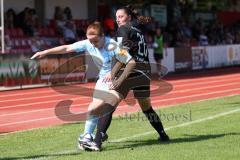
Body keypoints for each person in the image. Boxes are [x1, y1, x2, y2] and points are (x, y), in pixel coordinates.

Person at [30, 21, 136, 148]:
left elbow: (131, 62)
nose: (92, 44)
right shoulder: (88, 43)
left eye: (95, 41)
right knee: (93, 109)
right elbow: (67, 48)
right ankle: (87, 136)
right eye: (90, 41)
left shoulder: (113, 45)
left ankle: (98, 135)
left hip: (120, 78)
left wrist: (118, 80)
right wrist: (45, 52)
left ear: (103, 36)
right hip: (103, 79)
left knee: (107, 104)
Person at [81, 5, 169, 151]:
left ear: (128, 17)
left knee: (110, 103)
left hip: (132, 70)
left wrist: (113, 73)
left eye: (120, 17)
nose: (118, 20)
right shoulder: (138, 31)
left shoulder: (123, 30)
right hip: (144, 71)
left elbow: (122, 56)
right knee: (147, 108)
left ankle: (96, 141)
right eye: (116, 18)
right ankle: (163, 134)